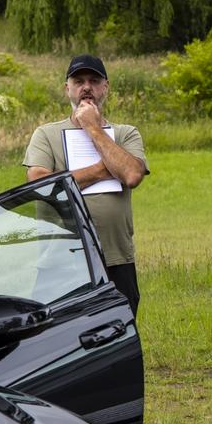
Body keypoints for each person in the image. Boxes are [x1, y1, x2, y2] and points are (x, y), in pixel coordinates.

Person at [23, 55, 148, 314]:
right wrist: (109, 169)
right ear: (66, 88)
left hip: (116, 259)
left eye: (94, 80)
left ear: (106, 87)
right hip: (59, 261)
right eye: (78, 81)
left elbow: (133, 175)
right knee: (55, 340)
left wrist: (92, 128)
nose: (86, 87)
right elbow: (40, 183)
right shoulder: (46, 134)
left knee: (117, 335)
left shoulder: (126, 133)